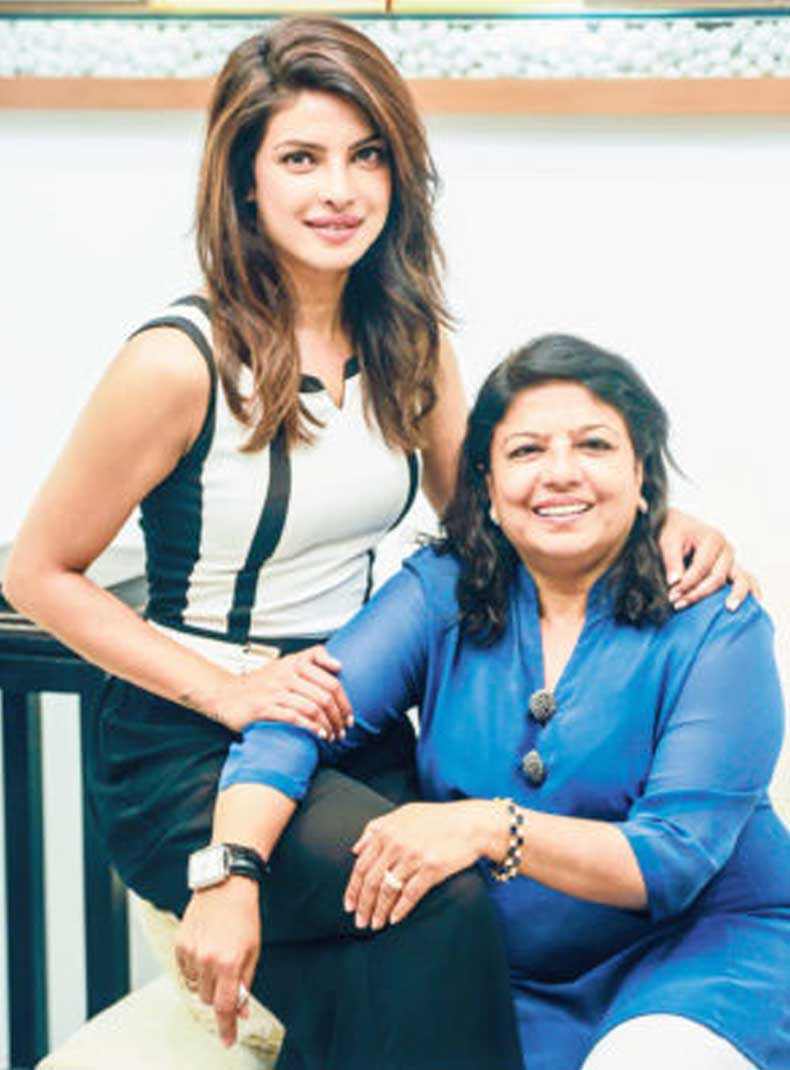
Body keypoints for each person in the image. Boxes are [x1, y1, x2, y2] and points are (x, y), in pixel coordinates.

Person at [3, 14, 758, 1069]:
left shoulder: (407, 341)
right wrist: (230, 694)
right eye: (300, 159)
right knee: (441, 901)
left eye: (367, 156)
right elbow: (36, 573)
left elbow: (490, 511)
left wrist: (654, 514)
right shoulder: (178, 362)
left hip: (348, 713)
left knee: (437, 887)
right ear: (244, 181)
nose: (339, 190)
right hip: (189, 736)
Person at [208, 333, 790, 1070]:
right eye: (526, 451)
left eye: (594, 445)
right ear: (485, 481)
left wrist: (489, 826)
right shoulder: (441, 590)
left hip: (699, 955)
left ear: (641, 469)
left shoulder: (717, 622)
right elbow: (297, 716)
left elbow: (672, 858)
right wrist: (231, 872)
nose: (560, 472)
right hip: (507, 974)